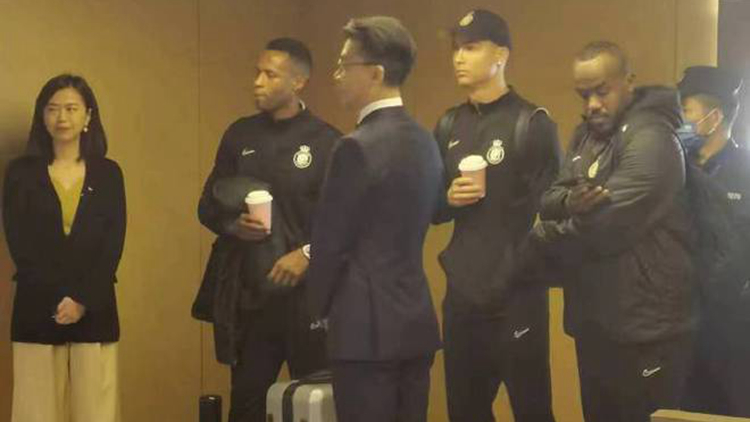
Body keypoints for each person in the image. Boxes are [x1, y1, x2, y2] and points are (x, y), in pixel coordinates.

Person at [523, 41, 698, 422]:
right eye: (583, 95)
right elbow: (549, 198)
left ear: (628, 82)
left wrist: (540, 236)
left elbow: (604, 227)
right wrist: (571, 202)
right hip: (596, 324)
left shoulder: (653, 139)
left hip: (647, 331)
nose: (592, 105)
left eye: (602, 92)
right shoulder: (585, 136)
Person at [196, 38, 341, 422]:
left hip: (308, 300)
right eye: (257, 72)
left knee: (314, 406)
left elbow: (344, 225)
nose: (258, 82)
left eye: (270, 75)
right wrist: (233, 226)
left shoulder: (328, 142)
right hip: (251, 298)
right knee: (247, 405)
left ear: (299, 82)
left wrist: (308, 255)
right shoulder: (239, 135)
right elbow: (207, 207)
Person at [306, 16, 443, 422]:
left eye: (344, 65)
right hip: (415, 322)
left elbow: (330, 242)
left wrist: (317, 310)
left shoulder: (355, 147)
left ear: (376, 73)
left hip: (362, 331)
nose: (336, 75)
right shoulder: (426, 140)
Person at [433, 10, 559, 422]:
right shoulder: (449, 124)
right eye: (456, 49)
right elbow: (430, 208)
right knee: (464, 410)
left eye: (471, 48)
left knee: (532, 410)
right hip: (462, 293)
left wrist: (520, 267)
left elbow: (555, 211)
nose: (459, 57)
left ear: (501, 55)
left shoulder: (532, 123)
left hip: (517, 295)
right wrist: (448, 198)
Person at [3, 74, 126, 422]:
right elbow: (19, 242)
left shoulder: (108, 174)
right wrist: (59, 297)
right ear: (41, 116)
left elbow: (112, 244)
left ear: (88, 116)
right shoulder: (20, 174)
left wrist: (82, 300)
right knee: (36, 412)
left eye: (71, 108)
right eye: (53, 109)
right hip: (37, 307)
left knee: (96, 412)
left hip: (95, 309)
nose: (62, 117)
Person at [678, 66, 750, 417]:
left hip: (733, 329)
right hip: (678, 324)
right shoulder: (674, 169)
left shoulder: (746, 170)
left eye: (686, 111)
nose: (680, 121)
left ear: (714, 116)